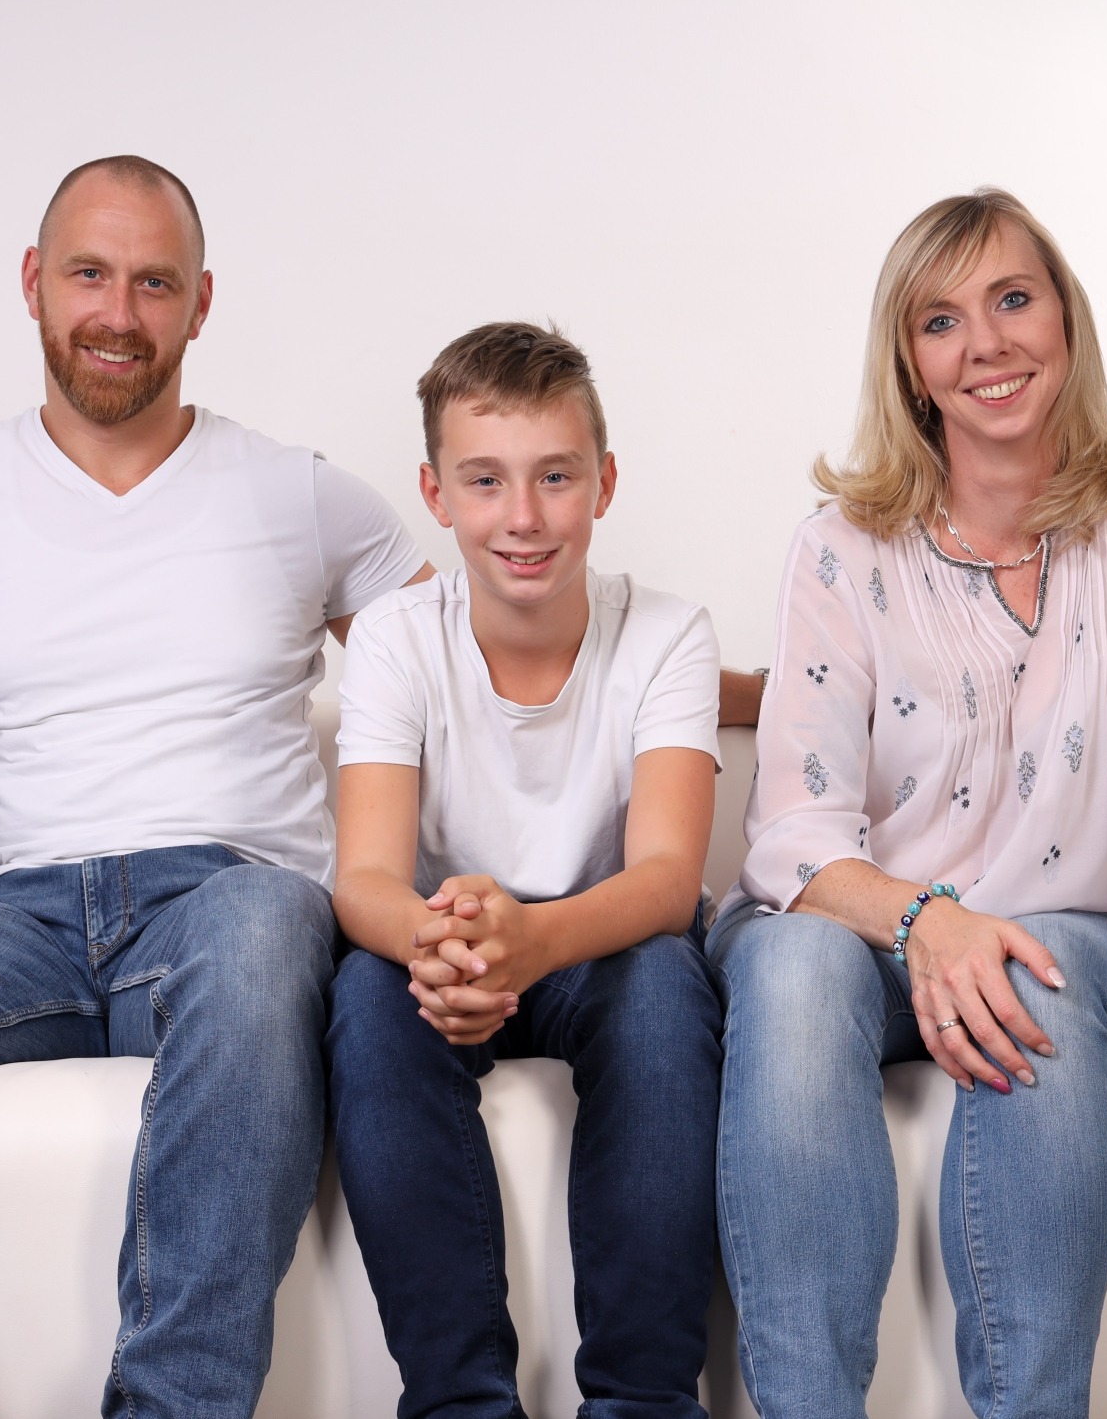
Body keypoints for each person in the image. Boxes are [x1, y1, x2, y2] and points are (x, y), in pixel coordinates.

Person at [0, 155, 425, 1417]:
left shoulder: (303, 496)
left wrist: (741, 688)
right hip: (14, 924)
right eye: (88, 274)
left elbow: (490, 664)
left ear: (200, 303)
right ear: (32, 284)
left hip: (225, 904)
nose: (117, 312)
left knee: (268, 921)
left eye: (154, 282)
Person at [710, 190, 1107, 1419]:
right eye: (939, 321)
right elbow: (793, 834)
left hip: (1088, 938)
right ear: (907, 363)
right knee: (787, 965)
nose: (985, 344)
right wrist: (928, 923)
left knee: (1029, 975)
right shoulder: (842, 546)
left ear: (1064, 316)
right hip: (880, 934)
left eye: (1012, 299)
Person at [328, 323, 722, 1419]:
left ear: (603, 483)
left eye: (555, 477)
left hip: (598, 941)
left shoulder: (668, 633)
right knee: (367, 996)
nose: (524, 517)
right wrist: (438, 944)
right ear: (435, 493)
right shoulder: (396, 637)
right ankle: (460, 1403)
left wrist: (532, 940)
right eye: (485, 481)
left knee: (664, 986)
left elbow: (666, 878)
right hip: (450, 941)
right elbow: (364, 876)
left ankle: (643, 1401)